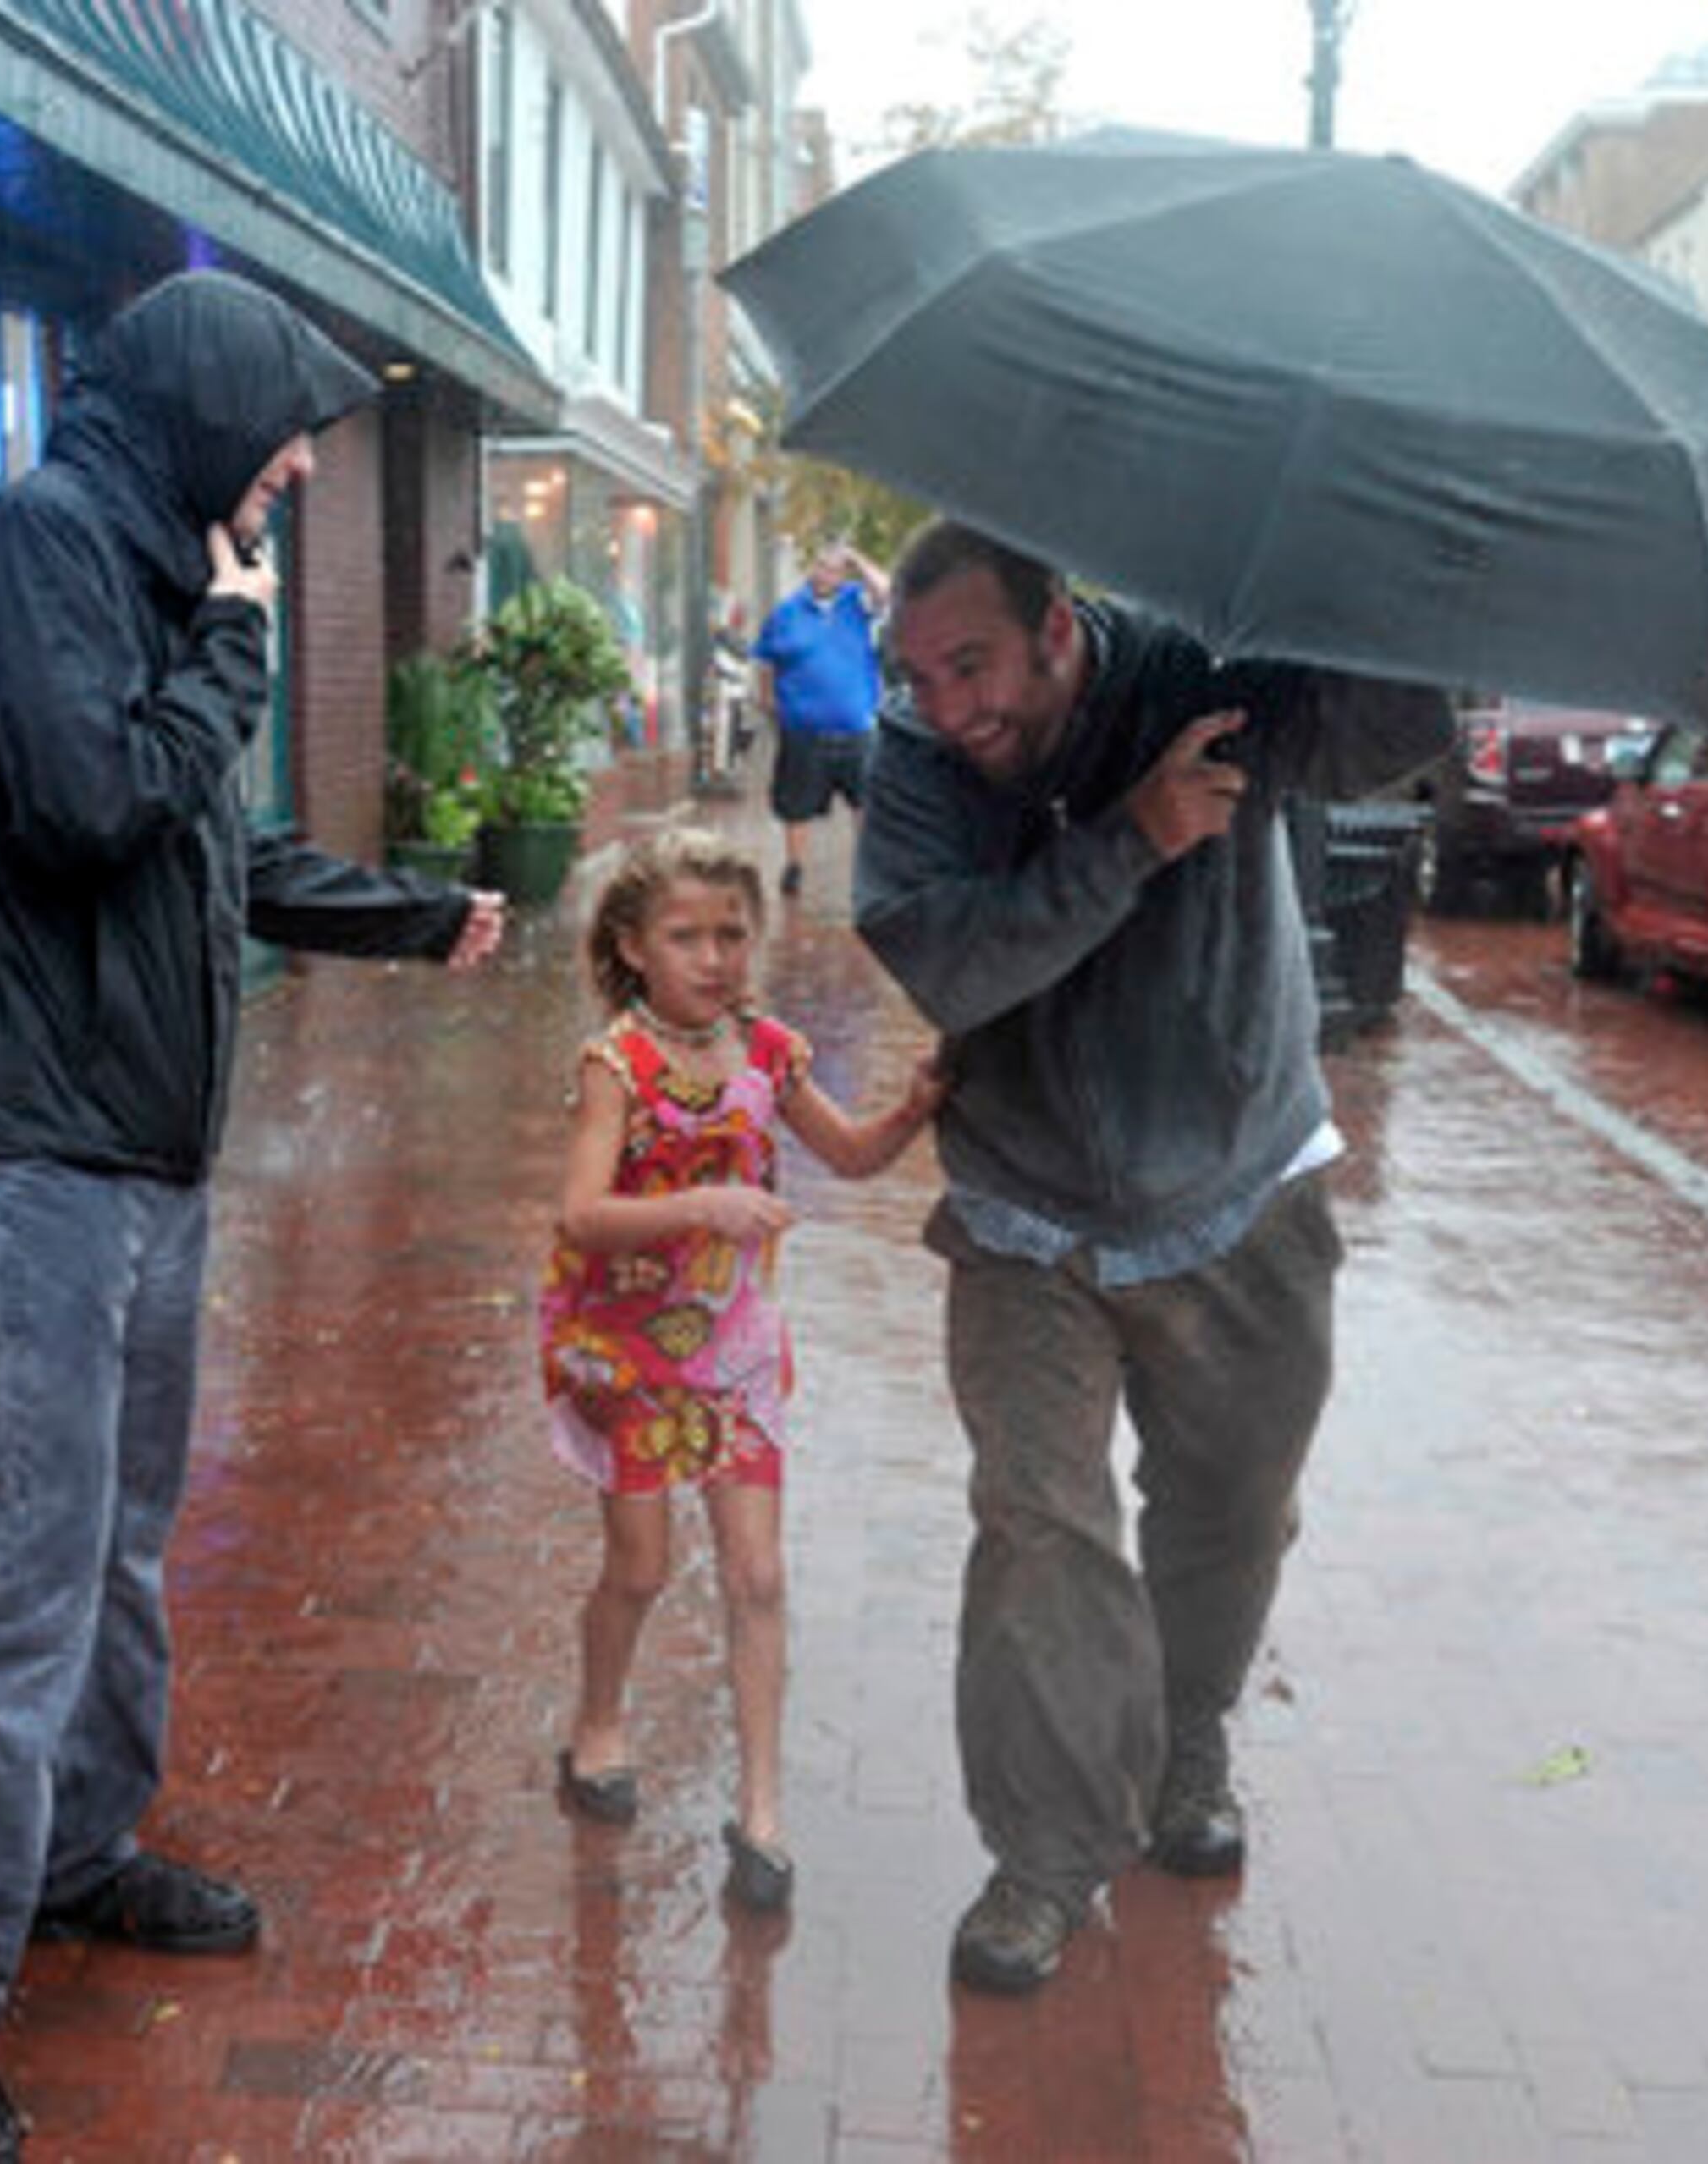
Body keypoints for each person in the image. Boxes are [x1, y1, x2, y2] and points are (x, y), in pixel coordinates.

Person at [0, 271, 506, 2163]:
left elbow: (204, 850)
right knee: (36, 1562)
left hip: (142, 1151)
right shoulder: (36, 552)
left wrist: (404, 912)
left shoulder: (152, 582)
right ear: (212, 409)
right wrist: (234, 657)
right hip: (28, 1145)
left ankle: (76, 1854)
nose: (302, 463)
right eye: (288, 428)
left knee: (128, 1539)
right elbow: (88, 805)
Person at [852, 520, 1452, 1996]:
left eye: (972, 665)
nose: (947, 706)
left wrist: (1399, 570)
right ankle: (1047, 1854)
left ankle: (1188, 1737)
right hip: (1026, 1205)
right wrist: (1132, 836)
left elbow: (1389, 738)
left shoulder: (1204, 674)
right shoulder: (921, 763)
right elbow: (947, 958)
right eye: (917, 674)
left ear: (1058, 624)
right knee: (1041, 1531)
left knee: (1232, 1511)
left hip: (1239, 1177)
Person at [539, 828, 943, 1913]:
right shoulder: (614, 1064)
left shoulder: (769, 1049)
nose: (715, 956)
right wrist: (701, 1206)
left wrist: (912, 1107)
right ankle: (597, 1719)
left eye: (733, 932)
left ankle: (761, 1807)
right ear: (631, 946)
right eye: (687, 936)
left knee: (757, 1574)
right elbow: (581, 1212)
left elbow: (849, 1154)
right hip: (627, 1349)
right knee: (638, 1567)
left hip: (736, 1353)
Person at [749, 540, 889, 897]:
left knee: (866, 803)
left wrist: (856, 555)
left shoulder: (856, 602)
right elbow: (766, 661)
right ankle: (794, 867)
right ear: (811, 569)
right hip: (803, 731)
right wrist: (769, 703)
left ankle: (870, 871)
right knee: (796, 806)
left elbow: (887, 590)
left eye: (834, 568)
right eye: (821, 566)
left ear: (843, 574)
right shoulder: (785, 613)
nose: (827, 574)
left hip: (856, 728)